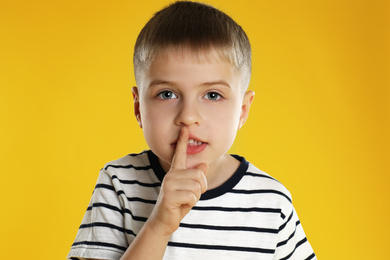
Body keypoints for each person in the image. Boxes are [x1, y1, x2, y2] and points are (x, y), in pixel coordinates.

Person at [67, 1, 316, 259]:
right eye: (167, 94)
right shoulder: (118, 184)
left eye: (212, 95)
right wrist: (159, 226)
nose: (188, 116)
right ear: (139, 107)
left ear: (242, 111)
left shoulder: (271, 203)